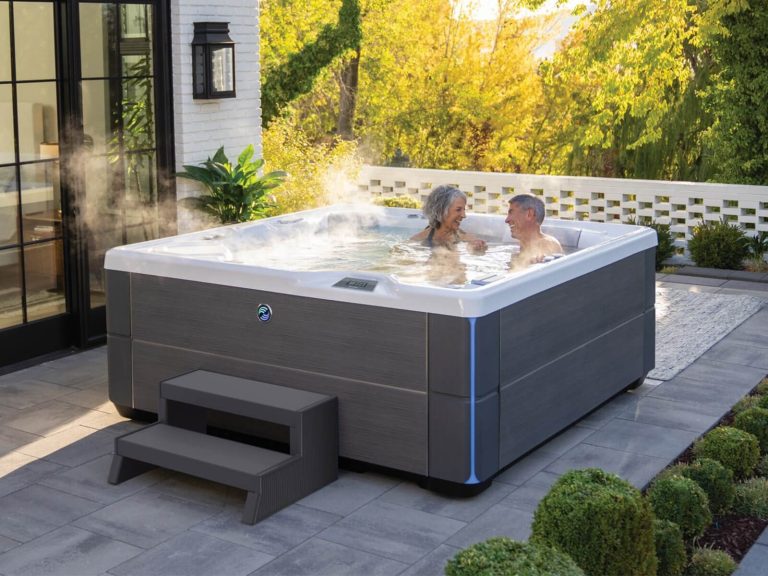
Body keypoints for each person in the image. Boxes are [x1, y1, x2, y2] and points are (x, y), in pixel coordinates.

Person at [410, 185, 487, 254]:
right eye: (458, 209)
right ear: (441, 211)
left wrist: (478, 247)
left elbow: (482, 246)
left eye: (464, 210)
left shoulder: (463, 236)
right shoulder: (418, 239)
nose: (464, 215)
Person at [505, 193, 563, 267]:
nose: (506, 220)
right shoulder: (525, 246)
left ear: (529, 214)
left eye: (511, 213)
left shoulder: (547, 244)